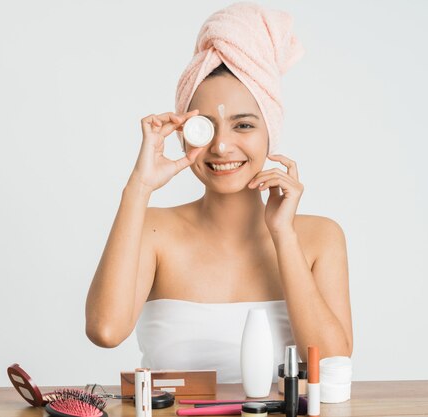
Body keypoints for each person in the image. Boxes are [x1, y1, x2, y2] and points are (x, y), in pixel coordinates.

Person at [85, 3, 352, 383]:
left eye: (243, 125)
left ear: (269, 132)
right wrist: (138, 187)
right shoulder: (153, 230)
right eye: (204, 128)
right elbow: (105, 331)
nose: (223, 147)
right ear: (182, 133)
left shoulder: (319, 238)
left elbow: (331, 366)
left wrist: (284, 237)